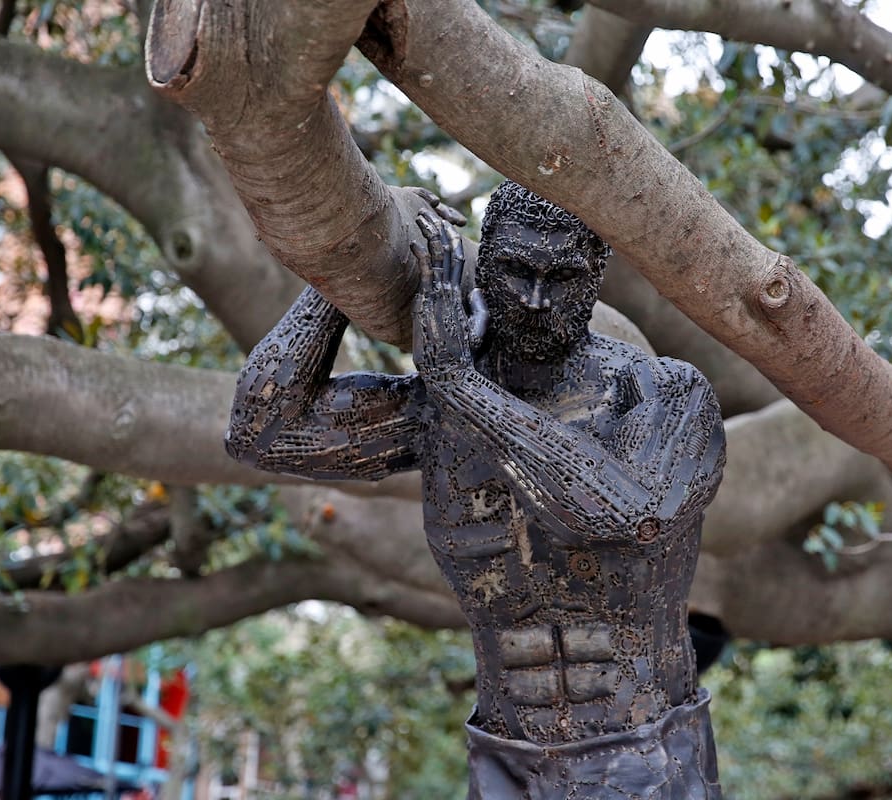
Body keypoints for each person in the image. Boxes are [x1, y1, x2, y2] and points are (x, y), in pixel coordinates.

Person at [225, 181, 727, 798]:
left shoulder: (664, 395)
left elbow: (627, 515)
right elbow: (261, 434)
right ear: (481, 265)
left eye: (562, 276)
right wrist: (351, 252)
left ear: (597, 273)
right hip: (507, 764)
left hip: (651, 757)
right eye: (516, 270)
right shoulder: (435, 412)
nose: (537, 300)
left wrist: (460, 383)